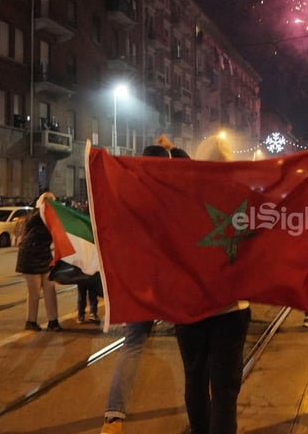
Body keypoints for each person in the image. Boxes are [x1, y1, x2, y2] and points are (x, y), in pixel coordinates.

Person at [98, 139, 185, 434]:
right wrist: (176, 152)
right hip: (172, 278)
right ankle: (201, 405)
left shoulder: (128, 192)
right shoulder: (172, 192)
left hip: (139, 278)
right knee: (192, 340)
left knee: (133, 343)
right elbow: (195, 174)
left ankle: (113, 417)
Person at [173, 135, 250, 434]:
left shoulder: (182, 201)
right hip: (231, 307)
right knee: (225, 391)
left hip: (189, 307)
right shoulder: (245, 199)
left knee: (194, 379)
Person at [15, 192, 61, 332]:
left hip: (43, 254)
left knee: (49, 288)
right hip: (30, 256)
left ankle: (52, 321)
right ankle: (31, 321)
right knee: (34, 291)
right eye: (47, 202)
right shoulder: (40, 215)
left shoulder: (45, 215)